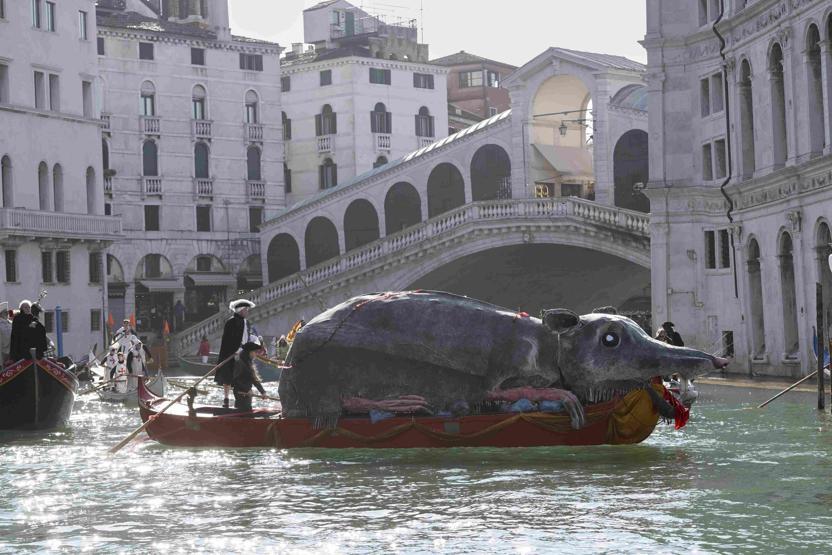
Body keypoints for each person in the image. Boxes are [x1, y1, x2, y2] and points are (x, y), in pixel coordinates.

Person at [216, 299, 257, 408]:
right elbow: (227, 339)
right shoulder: (231, 322)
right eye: (246, 309)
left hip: (243, 353)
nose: (247, 311)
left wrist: (253, 340)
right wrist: (235, 349)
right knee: (228, 377)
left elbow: (247, 336)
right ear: (240, 310)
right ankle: (226, 399)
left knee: (244, 376)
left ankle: (242, 400)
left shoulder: (246, 322)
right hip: (231, 353)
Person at [232, 342, 266, 412]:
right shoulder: (239, 363)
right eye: (255, 352)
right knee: (242, 411)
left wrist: (263, 392)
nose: (256, 354)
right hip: (240, 392)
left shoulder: (248, 362)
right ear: (249, 352)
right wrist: (247, 390)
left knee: (247, 410)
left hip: (247, 392)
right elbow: (235, 380)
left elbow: (254, 379)